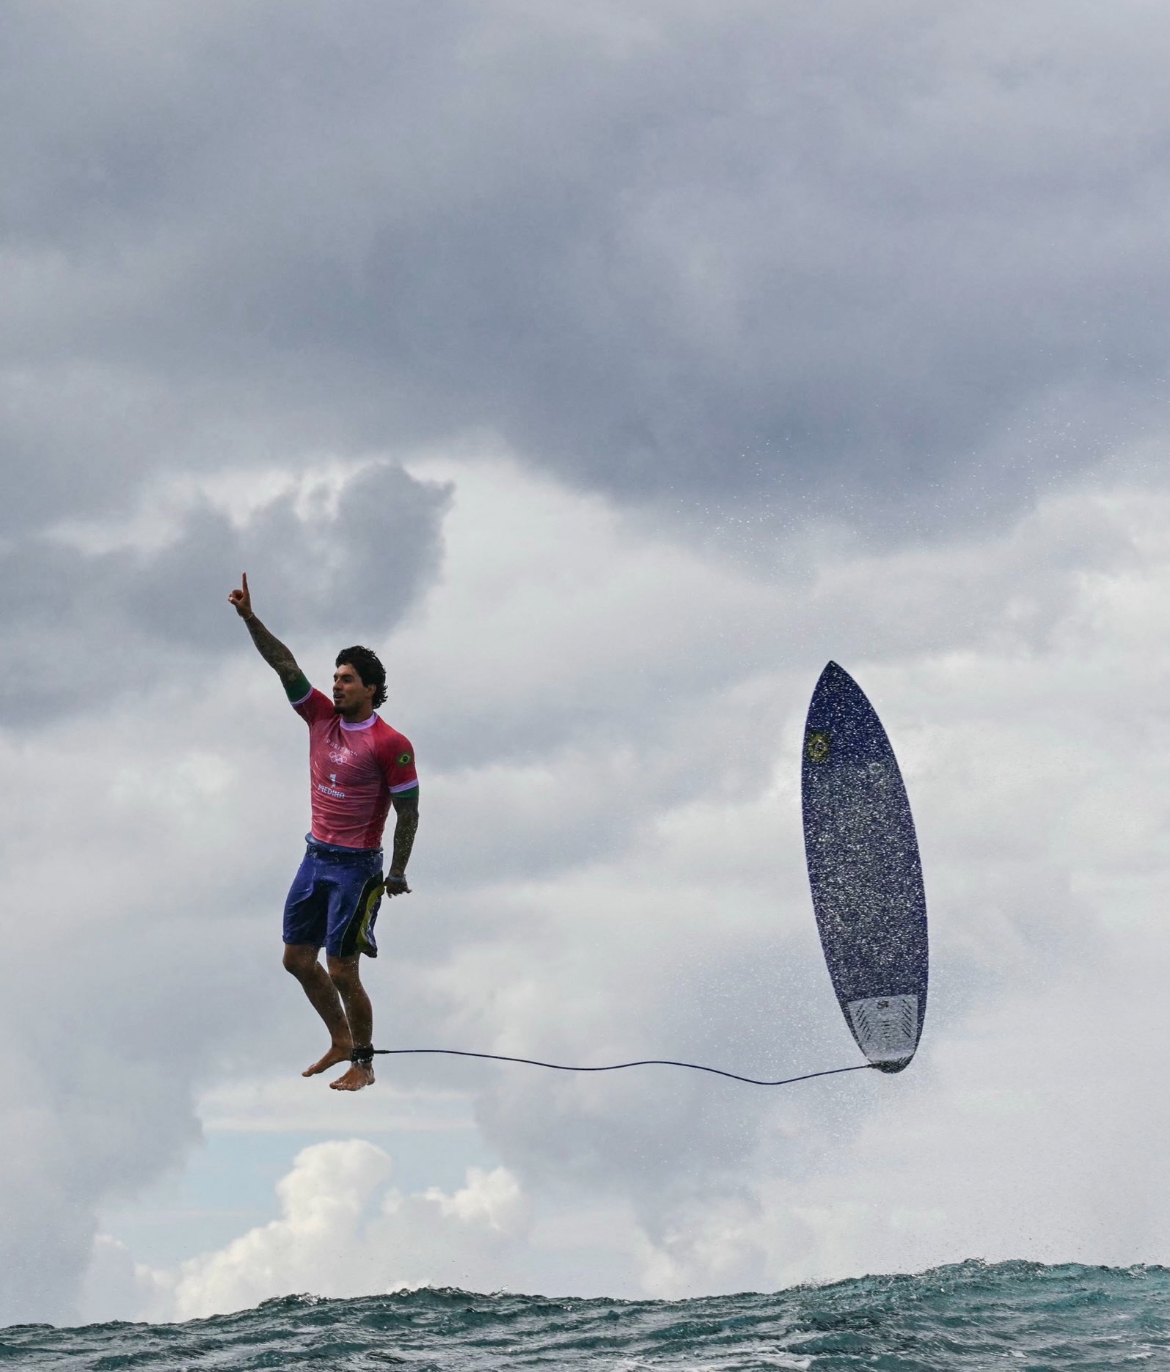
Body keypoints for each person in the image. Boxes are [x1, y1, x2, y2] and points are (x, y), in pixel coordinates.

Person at [228, 572, 419, 1092]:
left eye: (347, 679)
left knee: (342, 969)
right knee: (296, 959)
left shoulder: (390, 743)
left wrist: (397, 871)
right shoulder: (319, 717)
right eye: (335, 677)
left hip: (357, 868)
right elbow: (285, 665)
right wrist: (250, 619)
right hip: (315, 858)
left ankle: (364, 1062)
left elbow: (408, 813)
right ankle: (339, 1039)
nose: (336, 685)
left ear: (371, 689)